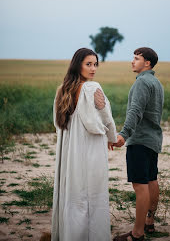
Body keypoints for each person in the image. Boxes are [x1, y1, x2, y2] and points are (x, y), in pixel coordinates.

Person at [51, 48, 117, 241]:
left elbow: (58, 124)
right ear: (77, 64)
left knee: (74, 192)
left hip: (70, 151)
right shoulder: (91, 88)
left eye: (95, 64)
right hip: (90, 148)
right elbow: (105, 116)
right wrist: (113, 137)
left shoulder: (62, 89)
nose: (93, 68)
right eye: (88, 64)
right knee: (93, 194)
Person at [113, 47, 164, 241]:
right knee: (151, 180)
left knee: (140, 186)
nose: (132, 62)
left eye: (136, 59)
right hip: (153, 140)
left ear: (147, 63)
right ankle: (149, 223)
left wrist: (123, 134)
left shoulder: (142, 82)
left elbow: (135, 111)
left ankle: (137, 233)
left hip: (140, 141)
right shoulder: (156, 82)